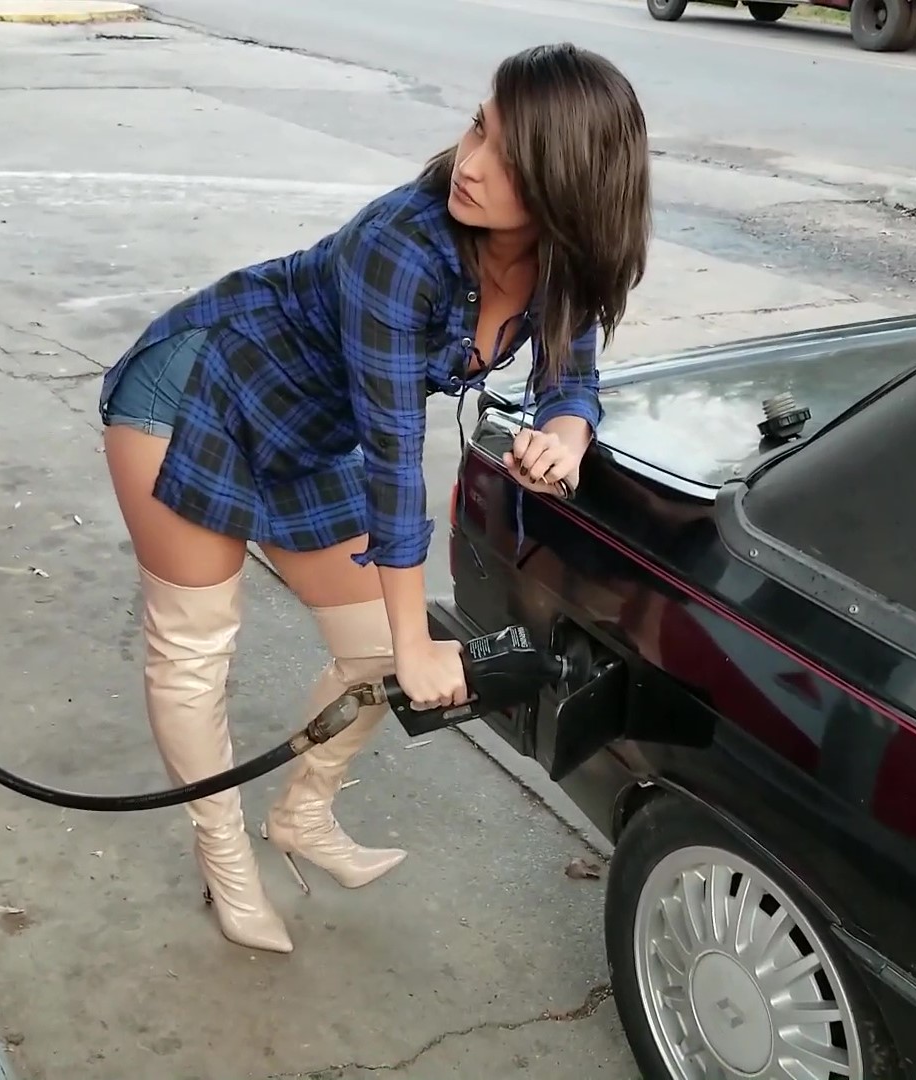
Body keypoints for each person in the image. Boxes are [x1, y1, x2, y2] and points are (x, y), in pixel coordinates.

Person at [98, 41, 652, 955]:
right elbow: (397, 459)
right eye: (480, 125)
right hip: (196, 397)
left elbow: (573, 378)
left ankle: (302, 816)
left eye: (510, 156)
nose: (470, 164)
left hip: (308, 434)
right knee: (198, 645)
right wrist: (415, 644)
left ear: (572, 188)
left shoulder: (566, 265)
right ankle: (224, 854)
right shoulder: (403, 244)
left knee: (368, 654)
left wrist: (567, 434)